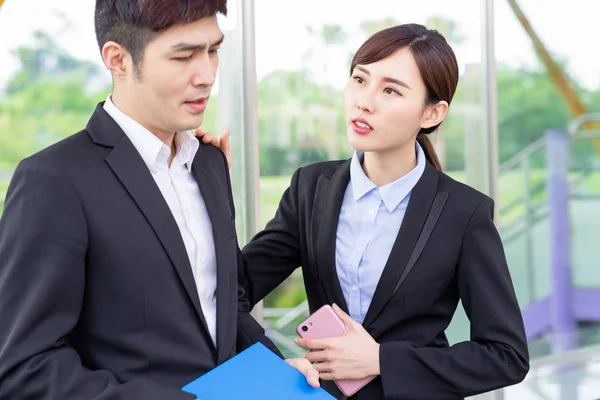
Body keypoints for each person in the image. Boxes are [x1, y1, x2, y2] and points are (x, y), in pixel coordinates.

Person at [0, 1, 317, 399]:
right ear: (118, 59)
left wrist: (276, 373)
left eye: (214, 50)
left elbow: (224, 306)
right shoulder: (54, 179)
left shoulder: (209, 163)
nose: (207, 76)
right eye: (183, 56)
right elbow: (26, 367)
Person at [203, 23, 530, 399]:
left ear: (432, 113)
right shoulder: (310, 190)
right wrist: (275, 366)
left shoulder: (464, 212)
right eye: (360, 79)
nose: (364, 101)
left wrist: (381, 360)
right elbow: (230, 289)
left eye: (390, 90)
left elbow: (506, 356)